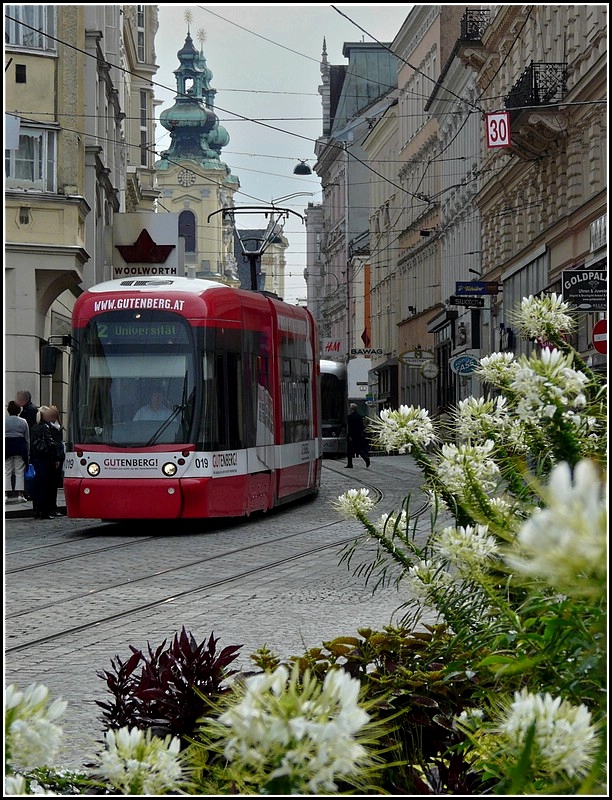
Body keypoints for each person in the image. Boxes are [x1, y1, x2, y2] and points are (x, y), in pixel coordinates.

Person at [30, 406, 65, 520]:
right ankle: (44, 511)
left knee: (39, 486)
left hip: (37, 459)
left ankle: (37, 510)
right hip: (46, 459)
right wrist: (56, 458)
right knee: (46, 486)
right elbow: (51, 444)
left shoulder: (34, 427)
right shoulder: (46, 427)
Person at [5, 400, 30, 503]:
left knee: (7, 471)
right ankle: (20, 494)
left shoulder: (4, 421)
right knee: (20, 471)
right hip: (20, 446)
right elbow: (27, 438)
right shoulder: (23, 421)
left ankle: (5, 494)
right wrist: (28, 452)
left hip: (7, 446)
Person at [346, 403, 371, 469]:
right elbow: (361, 427)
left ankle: (350, 464)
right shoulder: (359, 416)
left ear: (351, 408)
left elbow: (350, 427)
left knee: (350, 450)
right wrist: (360, 434)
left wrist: (350, 435)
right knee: (358, 449)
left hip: (352, 436)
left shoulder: (350, 416)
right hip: (358, 436)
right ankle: (366, 459)